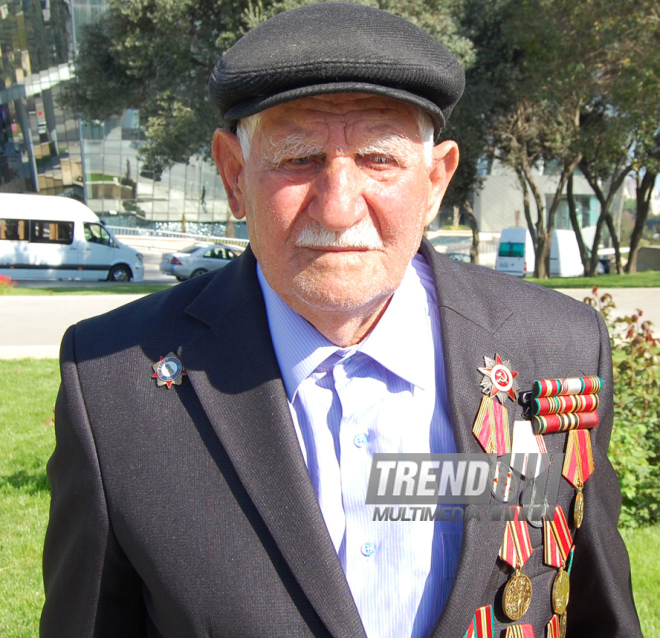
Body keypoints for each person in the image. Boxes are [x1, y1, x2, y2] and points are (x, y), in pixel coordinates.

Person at [41, 3, 641, 637]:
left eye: (379, 160)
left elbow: (597, 611)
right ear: (235, 175)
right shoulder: (114, 383)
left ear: (436, 181)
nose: (338, 203)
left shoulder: (557, 350)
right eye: (299, 158)